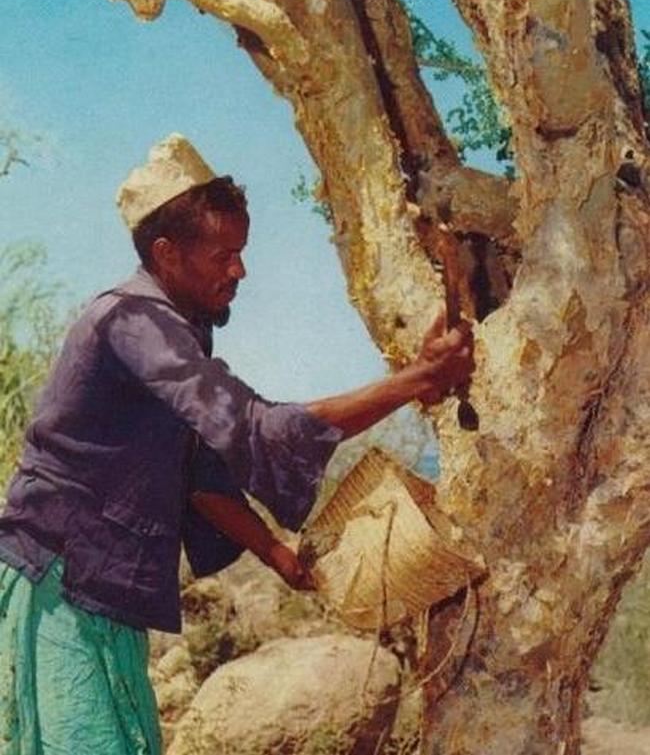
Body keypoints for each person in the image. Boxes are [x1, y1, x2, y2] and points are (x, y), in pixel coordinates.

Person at [0, 134, 474, 754]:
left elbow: (199, 477)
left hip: (96, 590)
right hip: (59, 578)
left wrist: (276, 552)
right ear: (166, 254)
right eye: (225, 254)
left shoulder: (176, 333)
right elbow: (249, 428)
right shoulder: (133, 321)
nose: (239, 270)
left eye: (241, 252)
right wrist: (418, 382)